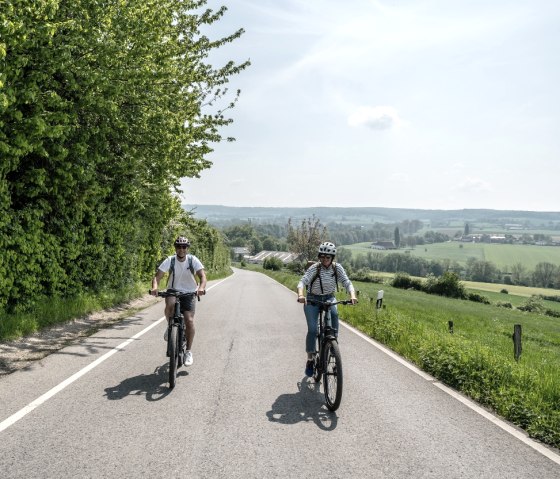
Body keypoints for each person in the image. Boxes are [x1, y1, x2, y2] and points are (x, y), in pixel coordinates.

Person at [296, 241, 357, 377]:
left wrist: (352, 295)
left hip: (329, 298)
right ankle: (310, 359)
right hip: (312, 299)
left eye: (327, 257)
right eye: (322, 257)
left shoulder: (337, 268)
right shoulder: (315, 268)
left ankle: (332, 349)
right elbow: (302, 281)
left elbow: (347, 282)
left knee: (334, 322)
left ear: (332, 258)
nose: (324, 260)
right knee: (312, 330)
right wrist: (301, 295)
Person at [150, 236, 207, 366]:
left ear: (187, 248)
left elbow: (202, 276)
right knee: (169, 304)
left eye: (184, 247)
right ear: (175, 248)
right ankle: (170, 326)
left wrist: (201, 288)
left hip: (190, 292)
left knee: (189, 320)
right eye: (178, 247)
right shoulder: (170, 260)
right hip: (173, 290)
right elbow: (157, 277)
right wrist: (154, 288)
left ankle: (188, 351)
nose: (181, 249)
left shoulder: (193, 260)